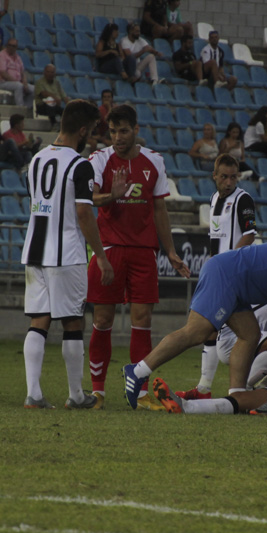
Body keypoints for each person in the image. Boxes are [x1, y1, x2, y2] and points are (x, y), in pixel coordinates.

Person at [122, 238, 267, 409]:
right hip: (227, 276)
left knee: (250, 334)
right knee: (197, 332)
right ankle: (138, 371)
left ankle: (236, 393)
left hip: (235, 284)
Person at [85, 103, 190, 410]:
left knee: (142, 320)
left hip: (144, 251)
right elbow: (88, 199)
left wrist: (170, 251)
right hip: (109, 249)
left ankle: (140, 394)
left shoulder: (153, 161)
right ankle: (97, 392)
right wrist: (112, 196)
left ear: (136, 130)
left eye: (123, 131)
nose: (117, 137)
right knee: (102, 319)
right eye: (113, 131)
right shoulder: (99, 160)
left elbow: (159, 209)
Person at [21, 99, 112, 410]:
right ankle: (76, 395)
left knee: (39, 320)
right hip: (66, 253)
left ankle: (33, 394)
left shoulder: (36, 159)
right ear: (83, 130)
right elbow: (83, 213)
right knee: (73, 321)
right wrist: (100, 255)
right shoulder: (79, 164)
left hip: (35, 250)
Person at [174, 153, 259, 401]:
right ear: (214, 176)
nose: (229, 181)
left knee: (230, 334)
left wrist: (227, 261)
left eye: (233, 177)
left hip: (234, 273)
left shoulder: (243, 199)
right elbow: (216, 237)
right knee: (211, 329)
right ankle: (204, 388)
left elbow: (250, 234)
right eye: (224, 176)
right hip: (219, 273)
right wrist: (214, 262)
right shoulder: (213, 199)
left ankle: (246, 384)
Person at [0, 38, 32, 107]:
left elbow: (22, 73)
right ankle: (20, 107)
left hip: (17, 82)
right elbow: (3, 73)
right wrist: (18, 82)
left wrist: (25, 83)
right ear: (6, 45)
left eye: (13, 46)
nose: (11, 47)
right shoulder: (1, 56)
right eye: (9, 45)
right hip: (2, 82)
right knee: (19, 86)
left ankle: (28, 107)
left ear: (16, 47)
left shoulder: (18, 57)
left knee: (33, 89)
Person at [34, 63, 69, 129]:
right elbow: (44, 94)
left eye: (52, 72)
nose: (50, 74)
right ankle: (54, 124)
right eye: (48, 72)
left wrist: (71, 105)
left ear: (54, 73)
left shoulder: (57, 83)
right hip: (42, 106)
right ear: (44, 72)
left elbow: (64, 96)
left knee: (66, 112)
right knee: (50, 101)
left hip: (55, 106)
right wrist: (55, 98)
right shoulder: (39, 82)